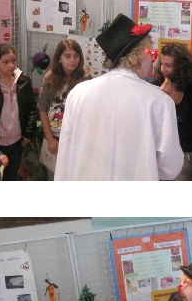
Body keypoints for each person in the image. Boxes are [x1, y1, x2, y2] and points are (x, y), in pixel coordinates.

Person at [55, 14, 183, 180]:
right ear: (139, 56)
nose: (153, 61)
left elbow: (65, 155)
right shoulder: (160, 102)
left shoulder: (78, 93)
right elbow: (170, 168)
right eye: (151, 53)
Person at [0, 44, 38, 180]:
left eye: (13, 61)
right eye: (6, 62)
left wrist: (28, 133)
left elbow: (32, 107)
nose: (11, 65)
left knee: (11, 176)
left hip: (17, 140)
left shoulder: (23, 81)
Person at [37, 39, 91, 180]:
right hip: (54, 135)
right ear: (59, 59)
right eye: (67, 56)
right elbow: (42, 108)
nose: (72, 60)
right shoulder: (50, 77)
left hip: (75, 136)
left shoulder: (85, 78)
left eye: (76, 56)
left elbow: (88, 110)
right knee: (54, 176)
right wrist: (49, 138)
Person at [152, 43, 192, 181]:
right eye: (161, 64)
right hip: (160, 152)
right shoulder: (156, 85)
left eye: (168, 65)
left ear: (180, 66)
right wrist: (162, 99)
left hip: (186, 151)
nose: (163, 69)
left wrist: (173, 102)